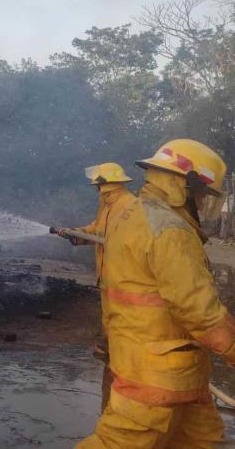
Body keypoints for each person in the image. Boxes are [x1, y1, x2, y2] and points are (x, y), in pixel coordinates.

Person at [77, 139, 235, 448]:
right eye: (203, 194)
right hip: (158, 375)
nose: (205, 203)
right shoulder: (170, 230)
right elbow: (202, 314)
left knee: (200, 439)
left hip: (160, 364)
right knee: (118, 442)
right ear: (182, 184)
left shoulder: (130, 213)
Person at [53, 162, 136, 411]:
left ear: (103, 184)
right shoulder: (108, 206)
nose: (97, 190)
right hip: (108, 276)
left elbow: (130, 241)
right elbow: (96, 231)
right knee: (110, 319)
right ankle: (111, 355)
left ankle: (123, 365)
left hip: (122, 276)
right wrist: (73, 233)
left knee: (123, 319)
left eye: (98, 186)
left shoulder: (130, 206)